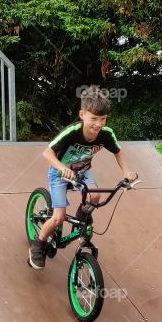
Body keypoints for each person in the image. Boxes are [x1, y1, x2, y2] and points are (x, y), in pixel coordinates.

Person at [28, 89, 138, 269]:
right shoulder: (72, 132)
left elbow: (118, 152)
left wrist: (127, 172)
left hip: (82, 172)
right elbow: (47, 153)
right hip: (59, 173)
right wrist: (62, 168)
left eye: (102, 119)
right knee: (58, 218)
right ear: (82, 115)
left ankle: (81, 217)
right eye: (93, 118)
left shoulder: (106, 134)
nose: (98, 124)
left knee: (95, 196)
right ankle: (38, 244)